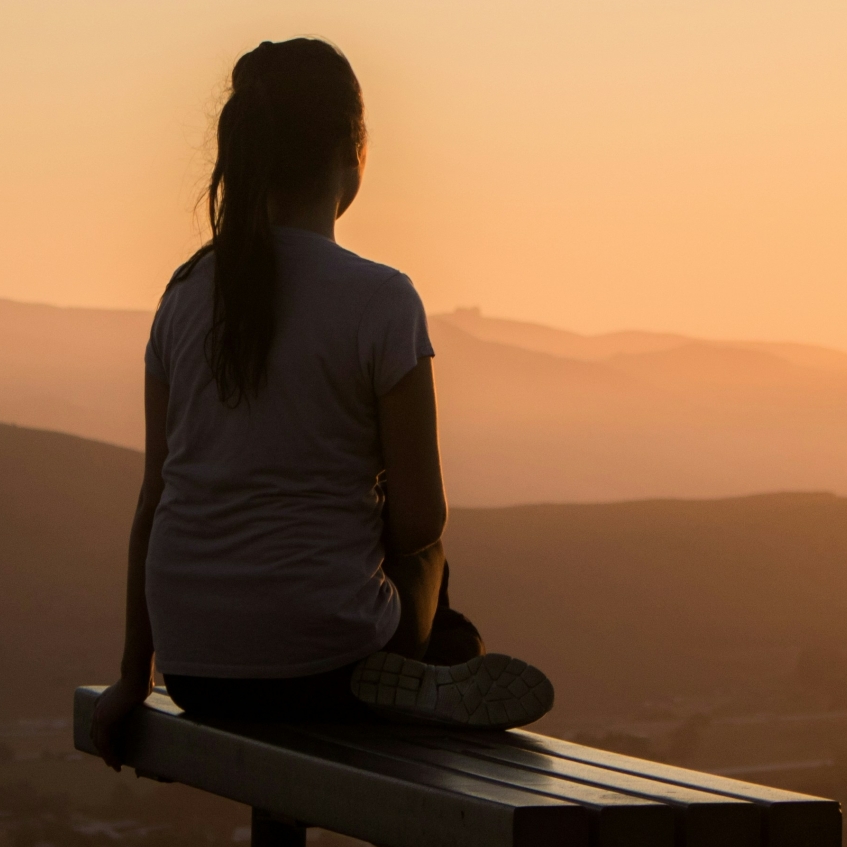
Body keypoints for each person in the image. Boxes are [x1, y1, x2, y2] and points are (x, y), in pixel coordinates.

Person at [89, 38, 553, 752]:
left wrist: (132, 676)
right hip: (327, 665)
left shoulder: (182, 297)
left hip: (194, 671)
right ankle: (427, 667)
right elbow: (421, 519)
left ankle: (422, 665)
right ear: (353, 149)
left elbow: (154, 500)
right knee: (436, 573)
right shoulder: (382, 300)